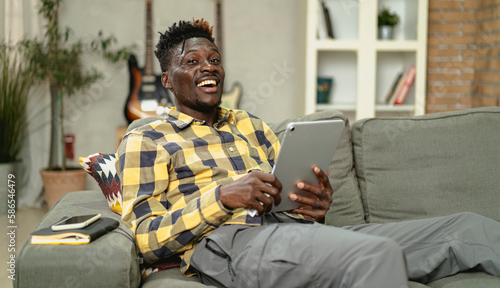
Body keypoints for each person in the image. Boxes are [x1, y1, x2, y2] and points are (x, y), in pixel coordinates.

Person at [117, 18, 500, 288]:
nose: (209, 68)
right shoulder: (147, 140)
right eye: (192, 62)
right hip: (231, 243)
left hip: (292, 231)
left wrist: (312, 203)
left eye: (214, 59)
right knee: (375, 255)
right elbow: (145, 239)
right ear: (167, 80)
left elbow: (288, 195)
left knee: (467, 228)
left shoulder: (251, 125)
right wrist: (222, 196)